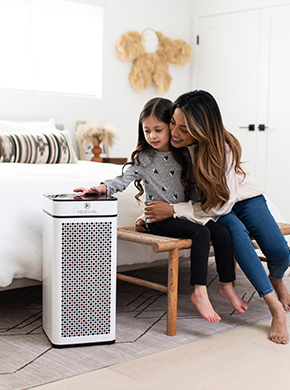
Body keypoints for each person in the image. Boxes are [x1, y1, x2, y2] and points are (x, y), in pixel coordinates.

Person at [74, 97, 247, 323]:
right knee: (202, 233)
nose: (152, 136)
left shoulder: (186, 154)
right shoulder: (143, 158)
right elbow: (123, 179)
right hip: (159, 219)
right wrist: (102, 187)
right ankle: (199, 291)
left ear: (170, 127)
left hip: (186, 214)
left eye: (158, 129)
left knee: (223, 233)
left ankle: (226, 285)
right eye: (147, 131)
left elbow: (196, 189)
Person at [139, 90, 290, 344]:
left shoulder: (225, 148)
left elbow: (222, 204)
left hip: (240, 199)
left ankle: (277, 278)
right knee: (238, 237)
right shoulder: (178, 147)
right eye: (173, 123)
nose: (175, 133)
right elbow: (157, 178)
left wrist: (175, 210)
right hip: (216, 208)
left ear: (202, 129)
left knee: (280, 252)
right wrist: (149, 214)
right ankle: (274, 308)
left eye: (184, 129)